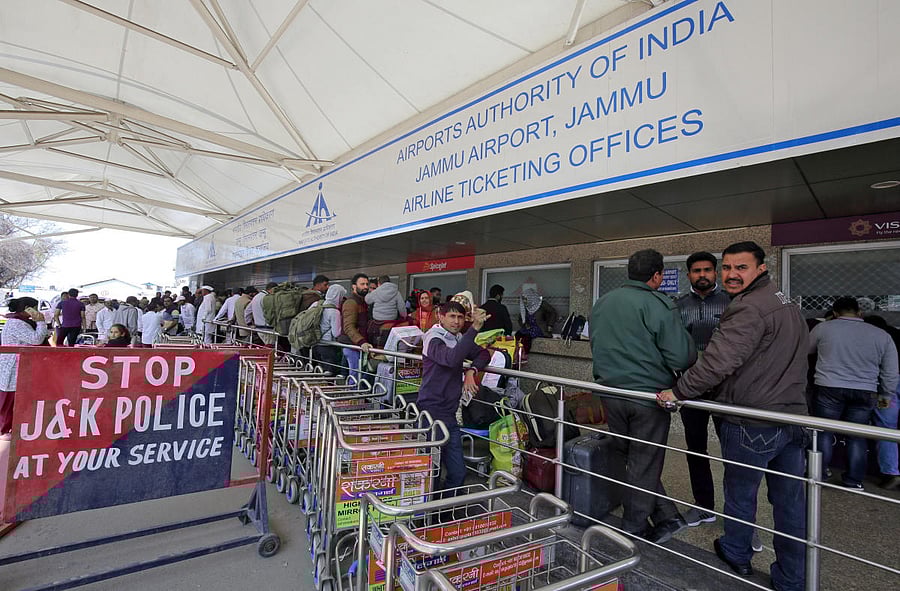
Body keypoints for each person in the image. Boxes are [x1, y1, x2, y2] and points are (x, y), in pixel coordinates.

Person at [659, 241, 808, 590]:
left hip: (753, 419)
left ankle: (737, 553)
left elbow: (718, 361)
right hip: (791, 417)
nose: (731, 275)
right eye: (727, 267)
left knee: (741, 494)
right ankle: (792, 578)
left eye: (741, 268)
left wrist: (678, 392)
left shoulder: (747, 308)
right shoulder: (784, 302)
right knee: (790, 503)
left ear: (761, 268)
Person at [590, 249, 694, 544]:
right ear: (657, 275)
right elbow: (682, 355)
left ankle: (665, 513)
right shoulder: (658, 304)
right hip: (648, 397)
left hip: (611, 393)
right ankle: (633, 528)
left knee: (632, 458)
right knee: (645, 461)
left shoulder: (603, 302)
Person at [808, 298, 898, 489]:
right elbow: (891, 372)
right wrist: (886, 395)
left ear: (834, 313)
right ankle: (854, 480)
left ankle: (819, 475)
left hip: (828, 387)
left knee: (823, 432)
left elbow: (805, 350)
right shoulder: (881, 335)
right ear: (859, 313)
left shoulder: (824, 329)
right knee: (856, 436)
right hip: (866, 391)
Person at [674, 252, 732, 528]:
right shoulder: (678, 305)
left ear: (716, 272)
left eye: (707, 270)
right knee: (696, 449)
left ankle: (739, 521)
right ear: (689, 275)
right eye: (696, 271)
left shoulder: (733, 302)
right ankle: (704, 507)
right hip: (691, 386)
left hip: (727, 388)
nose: (702, 275)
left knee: (734, 453)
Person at [416, 301, 491, 494]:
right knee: (432, 470)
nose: (456, 322)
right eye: (451, 316)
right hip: (431, 412)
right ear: (440, 317)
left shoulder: (458, 338)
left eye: (460, 317)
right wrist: (474, 329)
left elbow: (483, 353)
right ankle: (429, 514)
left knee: (458, 472)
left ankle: (445, 510)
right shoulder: (433, 338)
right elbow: (451, 359)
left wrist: (471, 371)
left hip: (449, 413)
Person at [0, 298, 48, 434]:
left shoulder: (18, 321)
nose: (37, 312)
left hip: (14, 365)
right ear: (28, 308)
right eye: (35, 308)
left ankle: (7, 428)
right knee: (9, 400)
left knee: (10, 399)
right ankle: (5, 430)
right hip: (13, 366)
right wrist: (40, 322)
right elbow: (36, 339)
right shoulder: (17, 323)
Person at [864, 315, 900, 489]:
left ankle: (891, 472)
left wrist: (885, 394)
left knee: (886, 428)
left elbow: (889, 371)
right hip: (893, 386)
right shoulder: (894, 334)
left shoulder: (880, 338)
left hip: (889, 389)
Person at [340, 273, 372, 381]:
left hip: (357, 345)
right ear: (354, 286)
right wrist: (361, 341)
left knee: (358, 374)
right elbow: (348, 326)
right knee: (355, 375)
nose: (366, 287)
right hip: (352, 345)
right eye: (362, 284)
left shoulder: (363, 302)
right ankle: (352, 397)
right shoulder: (351, 302)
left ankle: (354, 396)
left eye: (367, 284)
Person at [313, 284, 346, 375]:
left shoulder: (316, 304)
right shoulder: (334, 312)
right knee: (330, 373)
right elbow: (336, 333)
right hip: (327, 346)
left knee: (319, 371)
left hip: (314, 344)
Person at [365, 275, 408, 346]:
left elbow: (367, 300)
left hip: (377, 320)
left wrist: (370, 292)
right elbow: (402, 307)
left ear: (379, 283)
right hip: (391, 320)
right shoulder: (396, 292)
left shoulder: (376, 292)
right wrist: (404, 316)